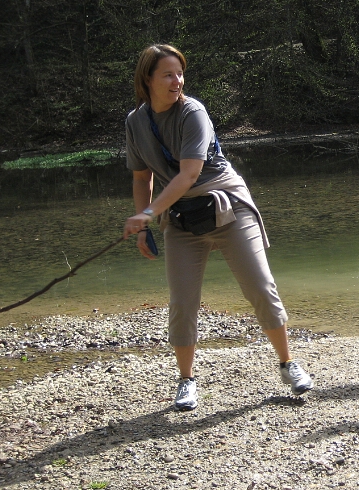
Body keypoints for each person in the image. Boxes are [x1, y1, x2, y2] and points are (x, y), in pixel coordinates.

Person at [122, 44, 313, 411]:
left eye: (180, 73)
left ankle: (288, 364)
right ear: (147, 79)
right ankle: (186, 381)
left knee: (260, 286)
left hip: (227, 206)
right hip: (180, 217)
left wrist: (146, 214)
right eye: (167, 74)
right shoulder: (135, 122)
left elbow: (189, 174)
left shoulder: (193, 112)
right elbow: (142, 177)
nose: (177, 81)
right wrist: (144, 225)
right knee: (182, 302)